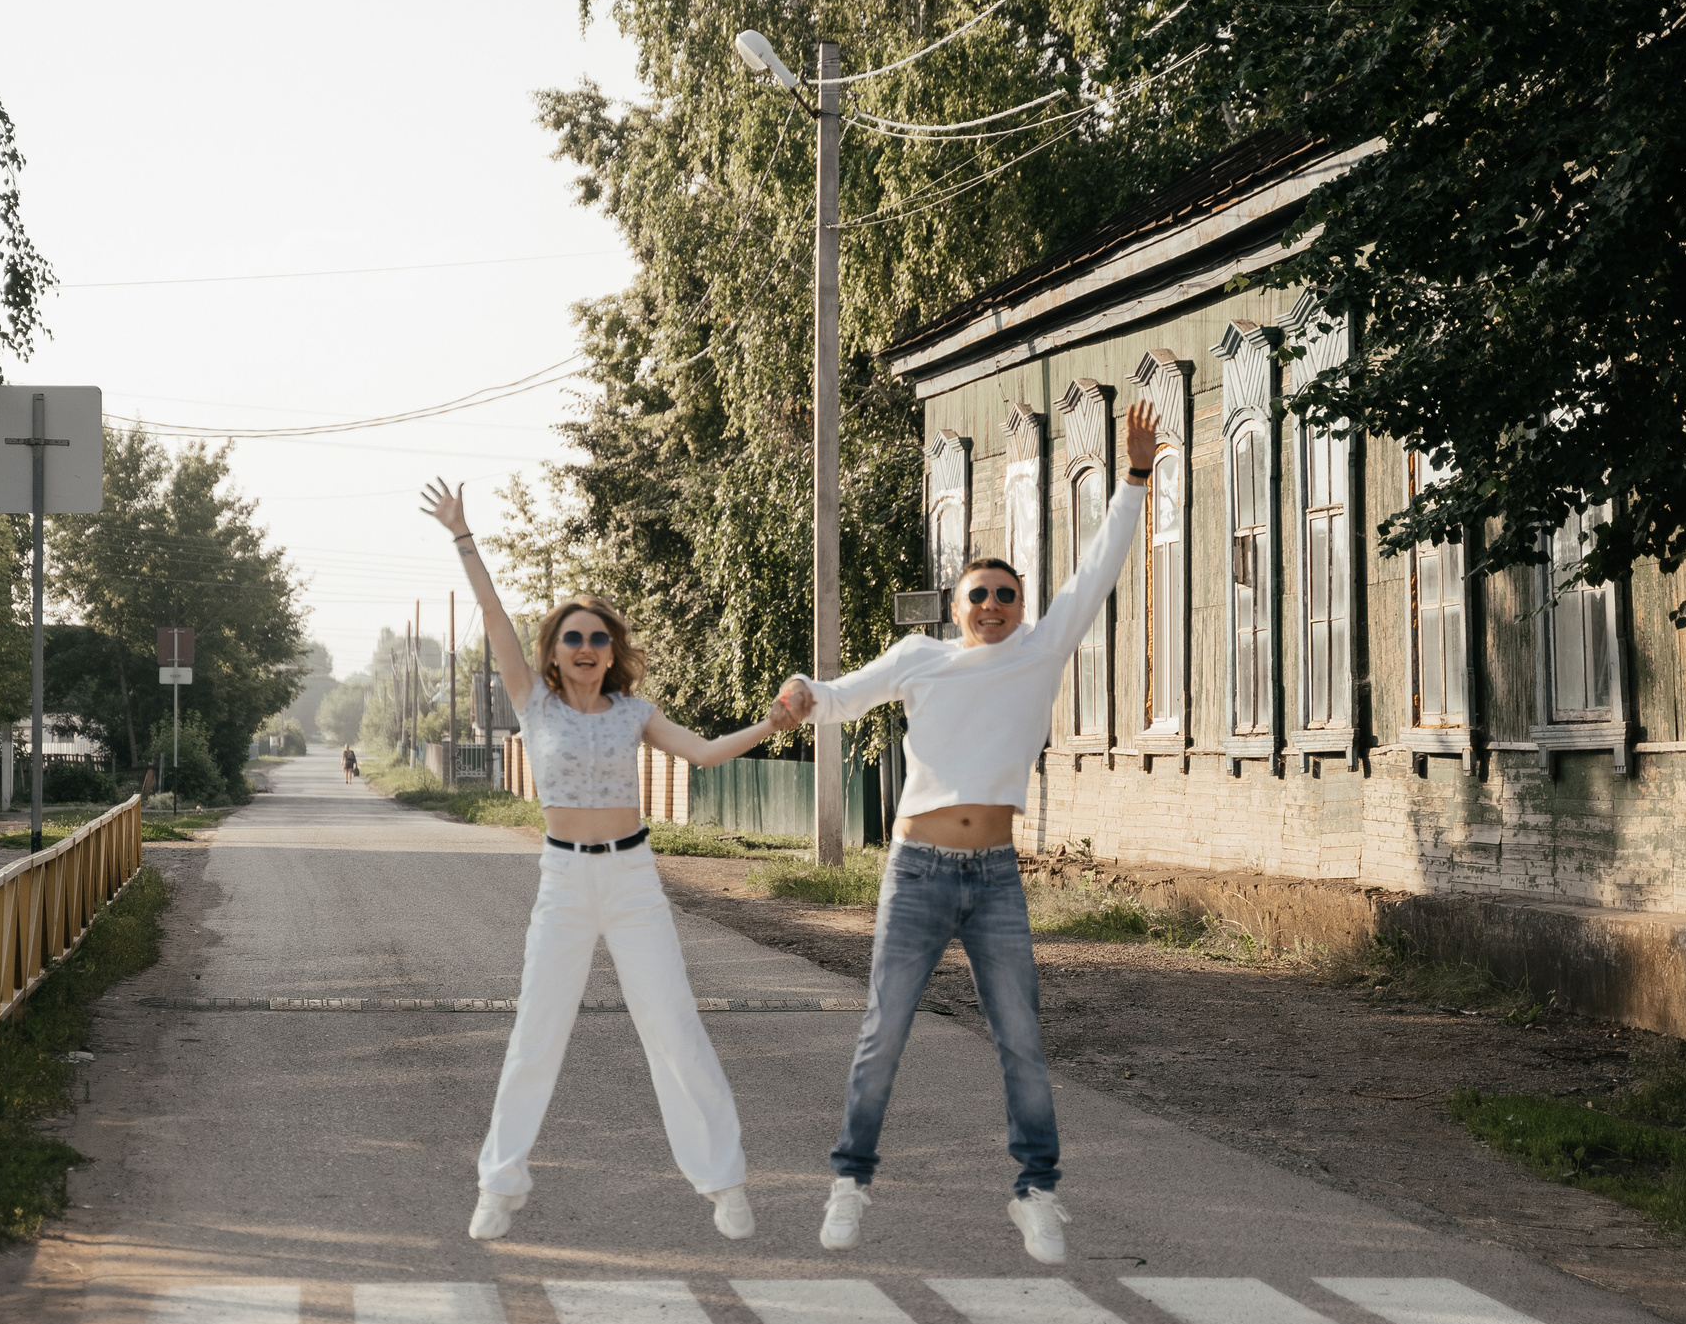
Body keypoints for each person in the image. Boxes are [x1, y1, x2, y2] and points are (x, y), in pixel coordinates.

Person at [778, 401, 1160, 1264]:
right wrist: (802, 690)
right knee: (884, 1030)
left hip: (993, 875)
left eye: (1006, 594)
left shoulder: (1041, 647)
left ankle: (1037, 1192)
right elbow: (837, 697)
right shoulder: (921, 659)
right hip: (916, 870)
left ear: (1022, 607)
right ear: (955, 607)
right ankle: (851, 1181)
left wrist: (1134, 478)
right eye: (978, 594)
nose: (992, 603)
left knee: (1021, 1036)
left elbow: (1098, 570)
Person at [423, 477, 805, 1242]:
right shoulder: (534, 703)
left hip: (632, 880)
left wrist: (770, 723)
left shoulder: (635, 713)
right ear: (554, 654)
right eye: (574, 638)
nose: (589, 649)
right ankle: (500, 1185)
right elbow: (495, 614)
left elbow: (700, 753)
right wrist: (464, 536)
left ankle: (724, 1181)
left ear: (612, 653)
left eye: (600, 639)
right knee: (538, 1030)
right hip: (564, 880)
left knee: (673, 1024)